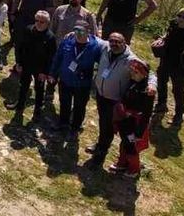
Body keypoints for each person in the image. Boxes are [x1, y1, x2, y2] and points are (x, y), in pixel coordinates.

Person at [87, 31, 157, 169]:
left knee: (108, 127)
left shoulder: (131, 59)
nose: (114, 44)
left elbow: (150, 73)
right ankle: (100, 144)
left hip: (115, 101)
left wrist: (152, 84)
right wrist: (73, 33)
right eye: (111, 41)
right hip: (101, 96)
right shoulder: (105, 48)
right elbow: (93, 38)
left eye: (118, 42)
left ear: (124, 43)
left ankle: (100, 155)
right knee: (103, 123)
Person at [50, 23, 101, 139]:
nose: (78, 34)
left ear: (88, 31)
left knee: (79, 106)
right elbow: (58, 57)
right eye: (76, 30)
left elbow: (102, 63)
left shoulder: (95, 46)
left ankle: (75, 128)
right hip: (65, 79)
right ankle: (63, 122)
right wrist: (53, 73)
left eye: (81, 31)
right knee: (64, 102)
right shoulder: (67, 41)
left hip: (82, 84)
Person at [6, 10, 57, 123]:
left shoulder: (50, 37)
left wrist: (45, 72)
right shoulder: (28, 30)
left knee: (39, 90)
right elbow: (21, 47)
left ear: (47, 23)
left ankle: (37, 112)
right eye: (37, 20)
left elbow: (51, 58)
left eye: (42, 22)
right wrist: (19, 63)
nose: (38, 23)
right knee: (23, 86)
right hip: (26, 64)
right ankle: (19, 105)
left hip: (40, 69)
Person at [152, 8, 184, 126]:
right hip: (165, 61)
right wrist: (160, 40)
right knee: (161, 83)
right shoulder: (173, 25)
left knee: (178, 90)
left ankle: (179, 115)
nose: (181, 19)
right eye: (179, 16)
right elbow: (166, 35)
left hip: (180, 65)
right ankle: (161, 105)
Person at [110, 59, 154, 178]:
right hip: (126, 119)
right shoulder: (132, 82)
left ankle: (134, 169)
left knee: (131, 146)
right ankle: (122, 163)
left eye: (136, 72)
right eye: (132, 71)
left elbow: (146, 114)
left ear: (143, 74)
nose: (132, 74)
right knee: (124, 142)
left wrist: (139, 132)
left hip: (136, 122)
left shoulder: (147, 91)